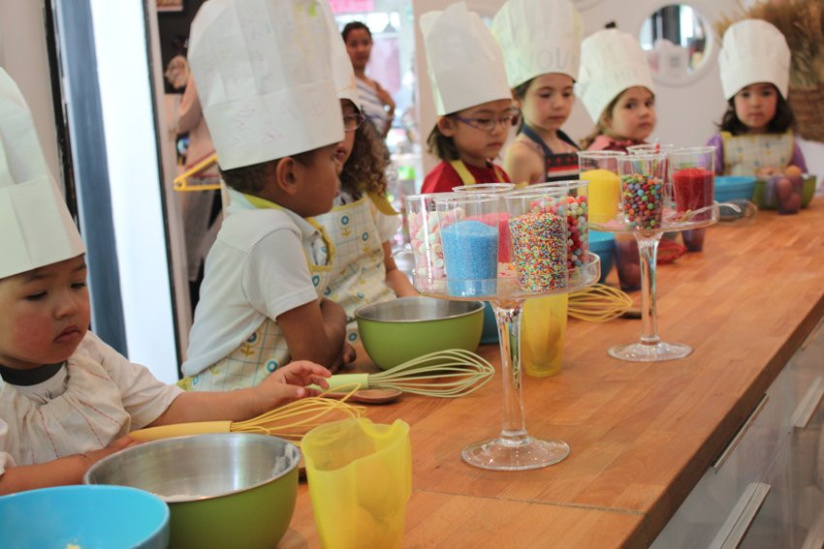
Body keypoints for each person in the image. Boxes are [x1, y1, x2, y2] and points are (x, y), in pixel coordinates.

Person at [0, 67, 331, 495]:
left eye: (77, 284)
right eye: (38, 293)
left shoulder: (88, 356)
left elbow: (166, 408)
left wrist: (258, 397)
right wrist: (96, 463)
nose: (66, 307)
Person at [179, 0, 353, 392]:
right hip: (230, 421)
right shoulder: (270, 232)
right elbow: (316, 354)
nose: (338, 168)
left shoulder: (256, 220)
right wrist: (336, 313)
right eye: (330, 158)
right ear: (289, 174)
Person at [317, 9, 416, 343]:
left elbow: (389, 269)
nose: (338, 135)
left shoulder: (365, 191)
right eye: (327, 118)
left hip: (387, 330)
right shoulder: (291, 212)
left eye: (348, 120)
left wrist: (421, 311)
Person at [707, 19, 807, 213]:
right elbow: (706, 182)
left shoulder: (789, 143)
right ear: (732, 100)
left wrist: (784, 174)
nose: (755, 102)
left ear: (779, 97)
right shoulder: (720, 144)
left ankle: (782, 195)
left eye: (766, 93)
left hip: (781, 224)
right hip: (737, 222)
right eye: (745, 94)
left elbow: (803, 178)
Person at [419, 1, 516, 194]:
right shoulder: (441, 183)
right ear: (447, 125)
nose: (498, 130)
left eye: (505, 118)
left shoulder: (500, 176)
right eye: (484, 120)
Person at [492, 0, 583, 185]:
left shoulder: (569, 148)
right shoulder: (519, 155)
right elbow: (516, 212)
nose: (559, 103)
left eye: (566, 93)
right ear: (517, 97)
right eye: (545, 94)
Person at [176, 72, 222, 311]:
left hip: (202, 171)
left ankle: (197, 314)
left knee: (193, 258)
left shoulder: (202, 69)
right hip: (225, 170)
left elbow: (183, 118)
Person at [577, 29, 657, 152]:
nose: (644, 112)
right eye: (630, 105)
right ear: (606, 119)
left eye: (648, 103)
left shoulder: (644, 148)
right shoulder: (605, 155)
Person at [342, 21, 395, 139]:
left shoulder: (376, 87)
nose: (361, 49)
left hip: (377, 155)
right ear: (344, 47)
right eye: (354, 44)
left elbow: (381, 138)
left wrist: (391, 108)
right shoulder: (343, 85)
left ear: (371, 44)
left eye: (365, 43)